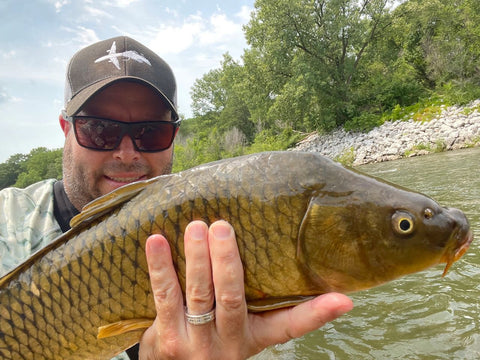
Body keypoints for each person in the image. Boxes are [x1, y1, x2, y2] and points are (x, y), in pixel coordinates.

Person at [0, 36, 353, 359]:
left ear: (174, 136)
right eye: (99, 130)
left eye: (150, 133)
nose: (126, 153)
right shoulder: (7, 220)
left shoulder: (223, 241)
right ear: (66, 130)